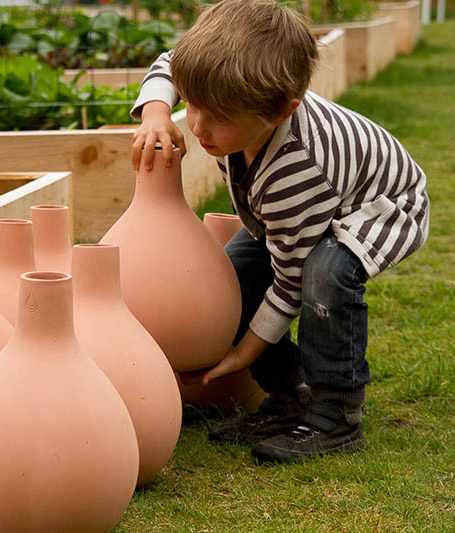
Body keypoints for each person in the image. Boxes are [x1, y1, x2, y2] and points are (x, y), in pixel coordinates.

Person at [129, 0, 429, 463]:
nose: (198, 127)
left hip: (379, 208)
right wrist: (154, 112)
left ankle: (336, 414)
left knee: (324, 275)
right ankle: (291, 397)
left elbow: (289, 280)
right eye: (192, 105)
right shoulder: (227, 97)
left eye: (220, 119)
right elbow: (171, 63)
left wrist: (242, 354)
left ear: (281, 111)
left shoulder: (297, 169)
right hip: (301, 212)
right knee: (231, 279)